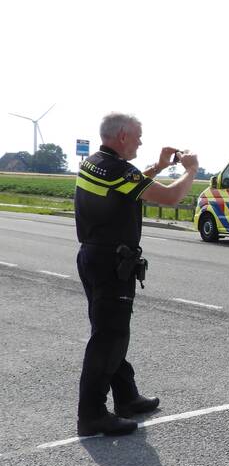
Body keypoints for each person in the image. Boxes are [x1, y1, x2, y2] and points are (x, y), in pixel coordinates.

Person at [74, 112, 200, 436]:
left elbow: (130, 187)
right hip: (110, 263)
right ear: (123, 137)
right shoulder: (118, 170)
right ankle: (91, 415)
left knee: (109, 330)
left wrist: (159, 167)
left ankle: (126, 396)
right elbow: (172, 197)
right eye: (139, 136)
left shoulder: (95, 164)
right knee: (110, 336)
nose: (142, 142)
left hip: (91, 256)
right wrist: (191, 170)